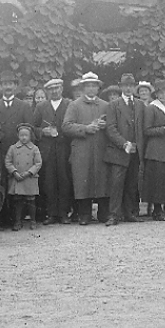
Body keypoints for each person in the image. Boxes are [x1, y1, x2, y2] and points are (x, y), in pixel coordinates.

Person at [62, 72, 110, 225]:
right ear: (82, 88)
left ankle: (103, 213)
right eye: (87, 86)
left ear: (98, 88)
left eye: (94, 86)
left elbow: (113, 126)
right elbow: (66, 126)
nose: (91, 89)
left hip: (101, 148)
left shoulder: (105, 105)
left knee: (102, 179)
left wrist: (106, 125)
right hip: (82, 149)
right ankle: (84, 214)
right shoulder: (74, 105)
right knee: (83, 180)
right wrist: (85, 128)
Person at [0, 71, 33, 227]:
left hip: (18, 151)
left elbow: (29, 130)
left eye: (10, 84)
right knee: (0, 181)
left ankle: (17, 219)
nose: (7, 87)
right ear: (0, 87)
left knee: (17, 182)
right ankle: (0, 218)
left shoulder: (24, 106)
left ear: (15, 87)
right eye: (4, 84)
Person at [104, 74, 146, 226]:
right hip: (119, 150)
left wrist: (139, 145)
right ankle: (114, 215)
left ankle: (130, 213)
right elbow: (110, 128)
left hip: (136, 150)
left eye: (131, 85)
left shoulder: (140, 105)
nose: (128, 88)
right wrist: (124, 144)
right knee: (117, 184)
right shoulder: (113, 105)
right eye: (125, 85)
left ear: (134, 87)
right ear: (120, 87)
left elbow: (143, 127)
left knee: (132, 183)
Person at [33, 78, 73, 225]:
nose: (54, 91)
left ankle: (64, 213)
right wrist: (43, 132)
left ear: (62, 89)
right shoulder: (41, 107)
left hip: (64, 148)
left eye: (57, 88)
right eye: (51, 89)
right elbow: (33, 128)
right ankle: (51, 213)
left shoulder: (69, 104)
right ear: (47, 91)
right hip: (47, 149)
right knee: (48, 181)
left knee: (64, 180)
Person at [142, 79, 165, 221]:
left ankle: (163, 210)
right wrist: (163, 129)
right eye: (160, 93)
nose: (163, 95)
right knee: (157, 182)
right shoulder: (151, 108)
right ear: (156, 94)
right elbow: (147, 130)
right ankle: (157, 210)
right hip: (155, 150)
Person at [5, 124, 42, 230]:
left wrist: (29, 172)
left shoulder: (34, 148)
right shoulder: (12, 148)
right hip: (17, 178)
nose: (24, 138)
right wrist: (14, 172)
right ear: (18, 136)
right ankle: (17, 221)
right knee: (18, 200)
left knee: (31, 201)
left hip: (29, 178)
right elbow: (8, 162)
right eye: (21, 135)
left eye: (26, 135)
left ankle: (33, 221)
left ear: (30, 136)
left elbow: (38, 163)